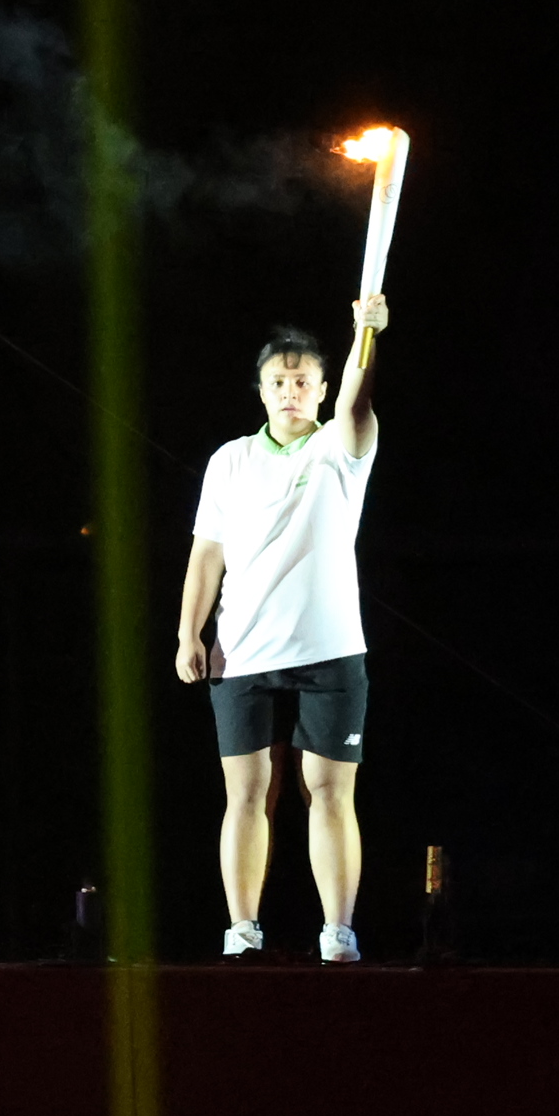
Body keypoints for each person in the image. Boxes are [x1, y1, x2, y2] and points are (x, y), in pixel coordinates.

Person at [175, 295, 386, 961]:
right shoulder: (231, 460)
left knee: (329, 791)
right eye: (278, 381)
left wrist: (365, 335)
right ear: (261, 391)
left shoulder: (339, 448)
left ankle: (338, 932)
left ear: (320, 390)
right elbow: (207, 554)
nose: (291, 391)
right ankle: (243, 930)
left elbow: (357, 398)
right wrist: (188, 633)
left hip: (331, 648)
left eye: (303, 381)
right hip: (243, 650)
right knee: (247, 794)